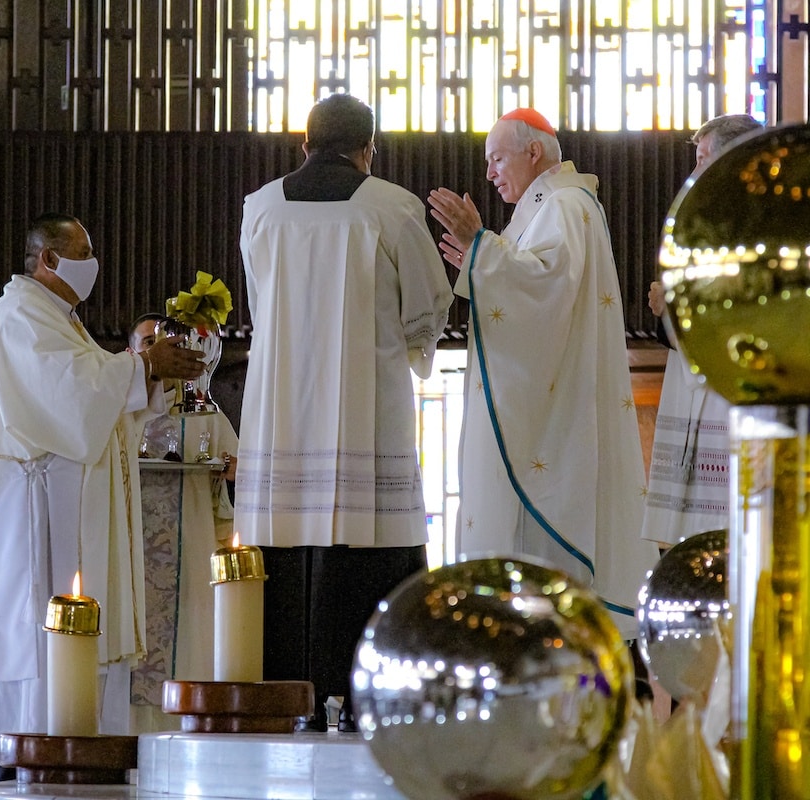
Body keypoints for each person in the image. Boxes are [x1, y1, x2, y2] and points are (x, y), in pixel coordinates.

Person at [0, 213, 205, 764]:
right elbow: (67, 395)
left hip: (67, 508)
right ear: (48, 260)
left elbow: (93, 397)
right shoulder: (18, 315)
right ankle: (42, 756)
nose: (93, 263)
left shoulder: (58, 319)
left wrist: (145, 375)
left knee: (75, 641)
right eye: (82, 251)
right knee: (43, 642)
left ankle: (78, 754)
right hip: (37, 513)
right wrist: (140, 366)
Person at [235, 93, 453, 730]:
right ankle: (368, 702)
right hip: (367, 402)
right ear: (368, 150)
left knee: (285, 541)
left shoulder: (259, 209)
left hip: (280, 409)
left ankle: (289, 700)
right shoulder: (390, 206)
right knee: (370, 540)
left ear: (305, 146)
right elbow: (427, 304)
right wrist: (413, 341)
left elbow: (259, 301)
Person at [427, 108, 659, 636]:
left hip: (556, 430)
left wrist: (480, 245)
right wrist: (479, 255)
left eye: (497, 158)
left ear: (533, 153)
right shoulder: (554, 205)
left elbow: (544, 289)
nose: (489, 173)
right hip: (556, 411)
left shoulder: (564, 204)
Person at [641, 114, 762, 545]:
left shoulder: (766, 223)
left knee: (729, 539)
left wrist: (679, 304)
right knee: (690, 545)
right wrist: (668, 311)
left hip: (734, 397)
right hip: (695, 384)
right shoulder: (702, 223)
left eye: (703, 158)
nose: (693, 172)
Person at [125, 313, 238, 732]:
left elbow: (235, 480)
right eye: (147, 343)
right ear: (129, 354)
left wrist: (230, 472)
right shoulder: (119, 412)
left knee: (188, 648)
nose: (159, 351)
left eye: (165, 342)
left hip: (189, 557)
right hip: (131, 557)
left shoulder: (205, 415)